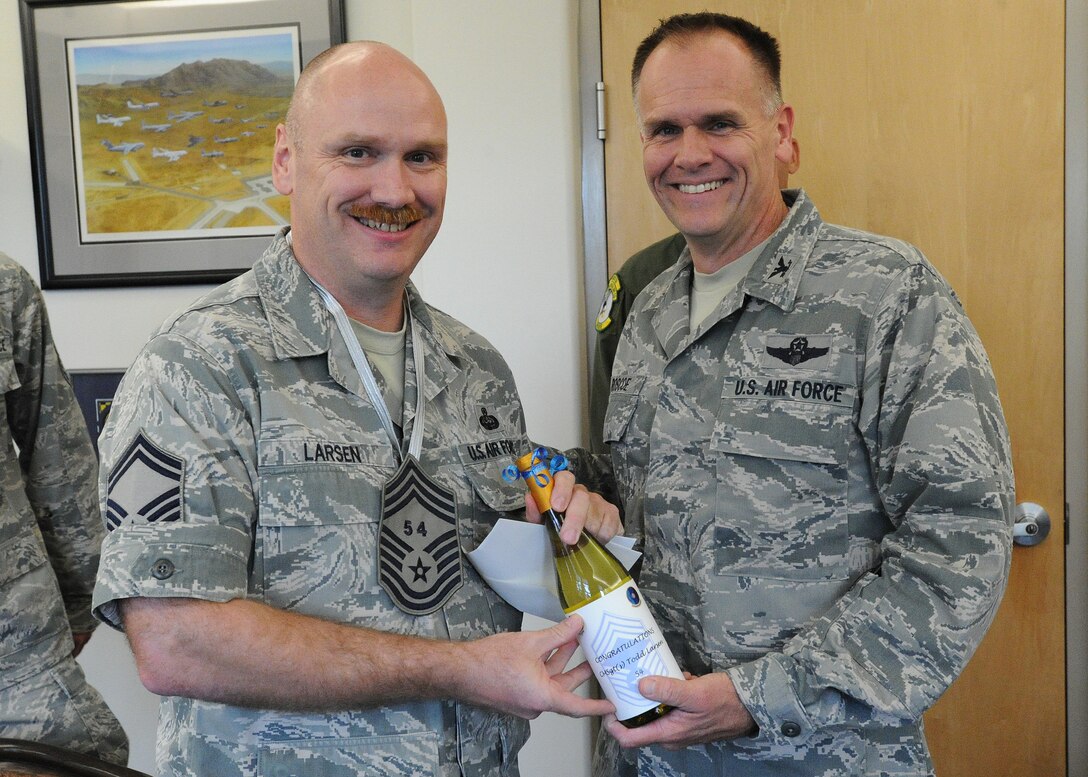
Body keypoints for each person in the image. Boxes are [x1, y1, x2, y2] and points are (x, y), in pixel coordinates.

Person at [91, 42, 616, 777]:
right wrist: (461, 668)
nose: (395, 187)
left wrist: (575, 539)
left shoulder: (478, 372)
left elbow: (473, 573)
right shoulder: (198, 366)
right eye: (359, 151)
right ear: (286, 162)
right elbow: (176, 642)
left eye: (423, 157)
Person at [543, 12, 1015, 776]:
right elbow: (643, 487)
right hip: (652, 759)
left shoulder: (886, 297)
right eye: (664, 130)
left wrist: (756, 695)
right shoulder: (650, 309)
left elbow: (959, 545)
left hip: (825, 756)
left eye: (719, 123)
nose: (689, 155)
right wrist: (578, 487)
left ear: (782, 134)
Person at [588, 140, 799, 452]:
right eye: (667, 131)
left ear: (787, 150)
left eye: (721, 126)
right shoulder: (642, 280)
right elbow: (609, 449)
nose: (694, 160)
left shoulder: (852, 285)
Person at [0, 252, 128, 765]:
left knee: (75, 760)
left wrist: (80, 597)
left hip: (13, 657)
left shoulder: (4, 287)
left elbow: (55, 448)